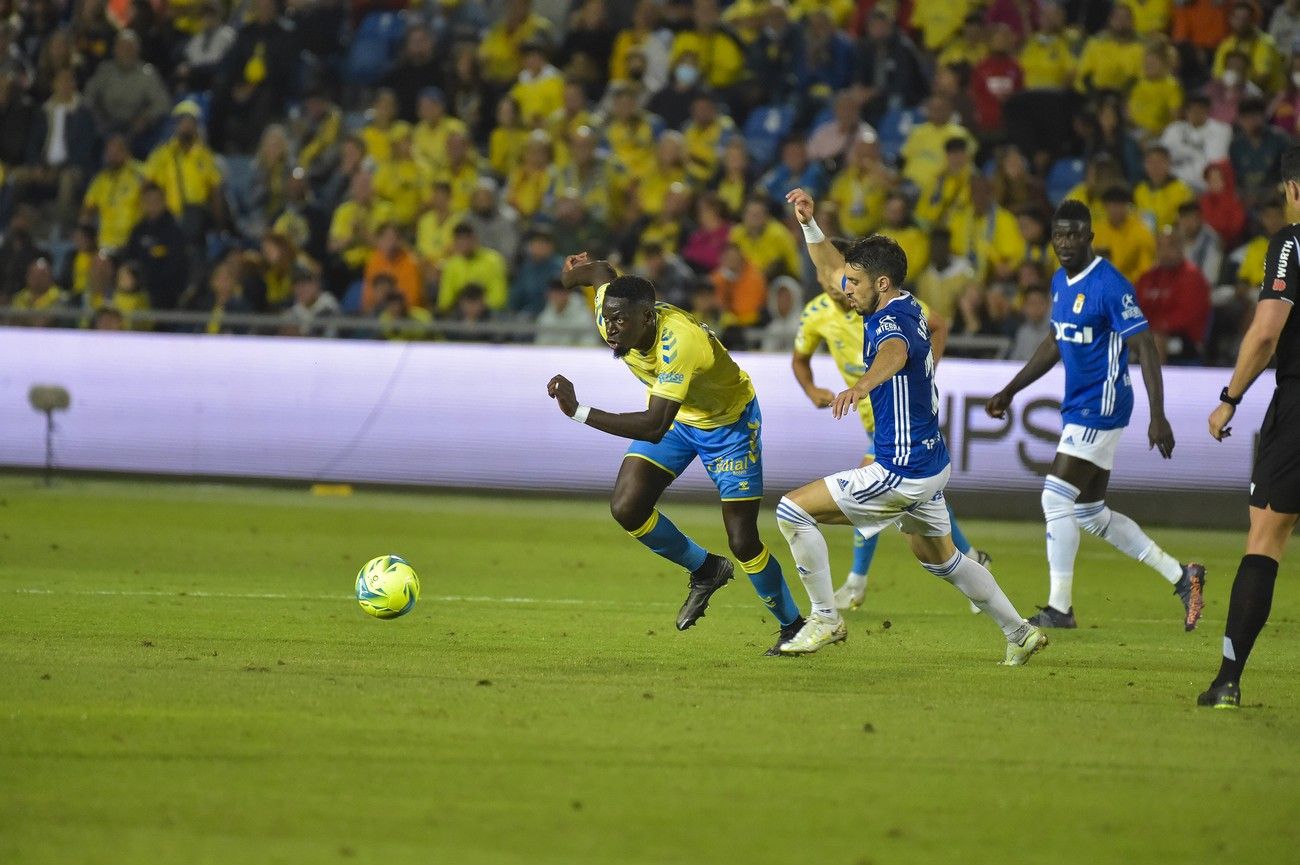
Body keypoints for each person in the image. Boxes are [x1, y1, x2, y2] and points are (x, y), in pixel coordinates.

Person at [772, 188, 1045, 664]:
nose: (843, 288)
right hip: (930, 462)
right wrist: (810, 226)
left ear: (879, 284)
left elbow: (894, 354)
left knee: (792, 511)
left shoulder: (890, 322)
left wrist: (861, 385)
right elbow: (829, 267)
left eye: (853, 283)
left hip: (901, 467)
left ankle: (825, 618)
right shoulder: (905, 302)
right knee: (942, 559)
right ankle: (1019, 632)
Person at [546, 252, 804, 653]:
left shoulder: (678, 342)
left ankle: (794, 627)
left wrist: (578, 411)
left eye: (620, 322)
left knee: (743, 539)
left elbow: (652, 427)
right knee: (627, 507)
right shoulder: (612, 309)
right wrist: (570, 274)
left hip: (727, 423)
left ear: (647, 318)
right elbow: (600, 273)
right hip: (679, 415)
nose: (611, 330)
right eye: (608, 318)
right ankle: (706, 570)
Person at [986, 199, 1206, 630]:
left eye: (1073, 235)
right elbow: (1054, 339)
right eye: (1058, 235)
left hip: (1102, 404)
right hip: (1079, 404)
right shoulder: (1059, 281)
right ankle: (1183, 575)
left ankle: (1060, 609)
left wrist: (1156, 414)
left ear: (1090, 237)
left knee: (1054, 496)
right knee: (1090, 514)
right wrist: (1011, 389)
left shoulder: (1110, 285)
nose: (1065, 243)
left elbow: (1144, 346)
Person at [791, 232, 992, 612]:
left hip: (898, 425)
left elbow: (903, 346)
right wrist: (811, 389)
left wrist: (917, 373)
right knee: (926, 508)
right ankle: (976, 565)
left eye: (849, 279)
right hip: (874, 422)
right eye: (832, 276)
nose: (840, 284)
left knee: (872, 487)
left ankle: (855, 582)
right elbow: (799, 361)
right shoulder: (820, 312)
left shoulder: (887, 304)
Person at [1200, 145, 1300, 709]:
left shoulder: (1291, 243)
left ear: (1292, 191)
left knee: (1266, 535)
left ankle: (1227, 681)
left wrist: (1229, 398)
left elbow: (1265, 333)